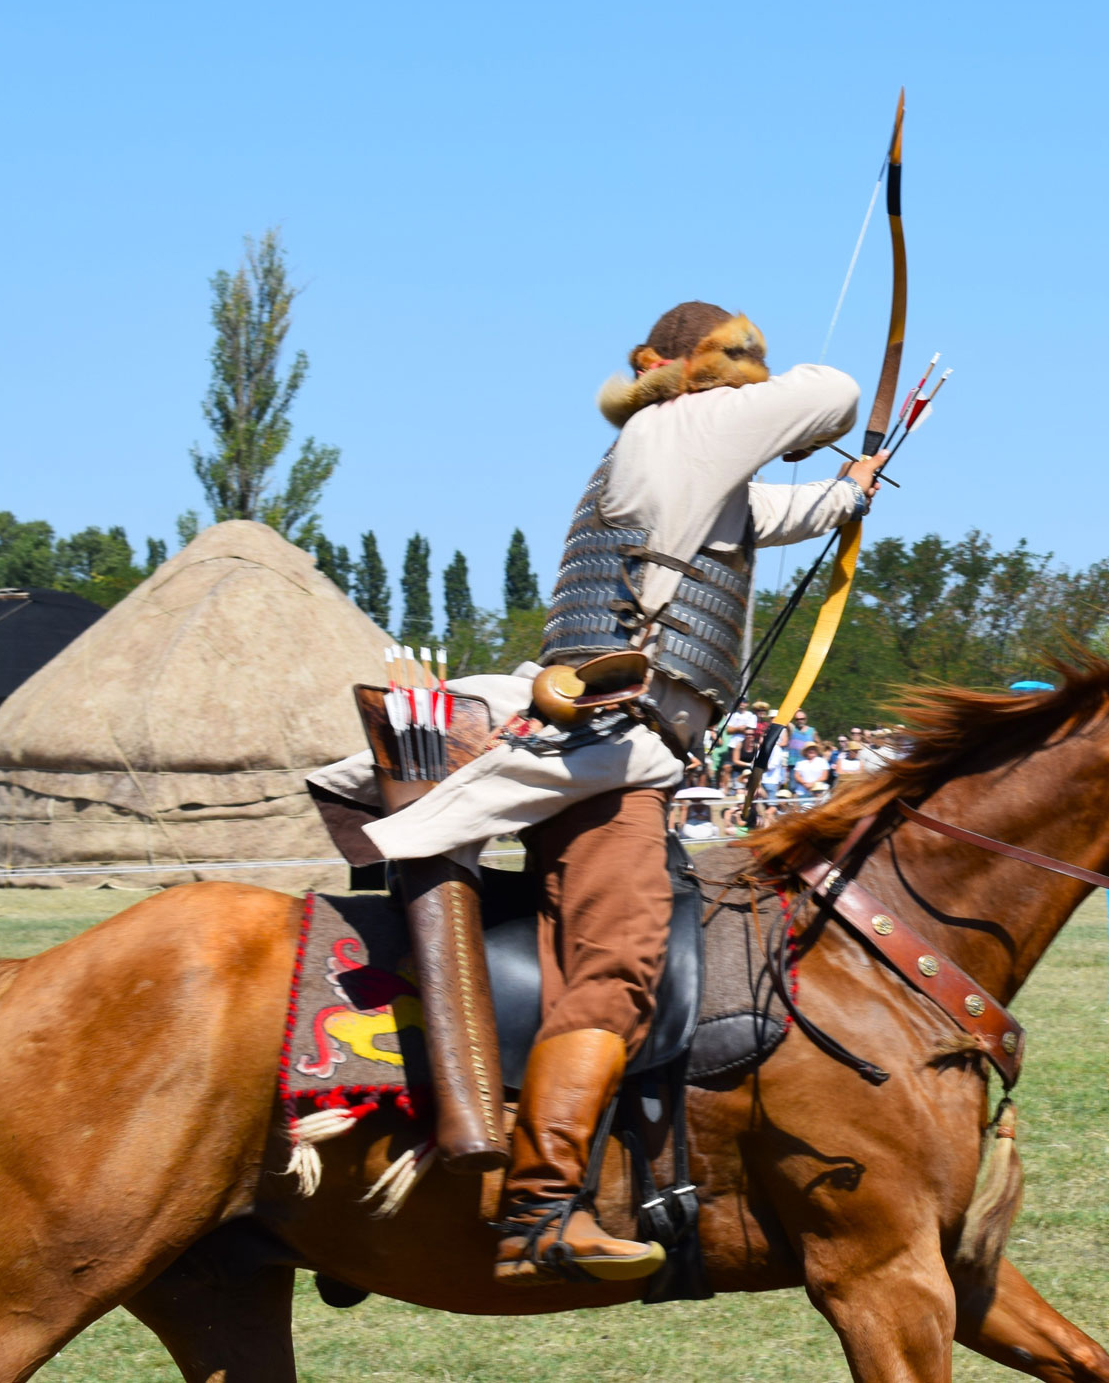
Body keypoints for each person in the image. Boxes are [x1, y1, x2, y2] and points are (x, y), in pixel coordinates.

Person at [310, 300, 882, 1285]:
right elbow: (831, 394)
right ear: (690, 371)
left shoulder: (690, 465)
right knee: (618, 965)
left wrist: (849, 490)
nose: (756, 376)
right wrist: (761, 397)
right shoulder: (682, 425)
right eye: (741, 359)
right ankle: (541, 1203)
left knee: (576, 941)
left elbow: (775, 513)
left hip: (606, 748)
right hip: (614, 757)